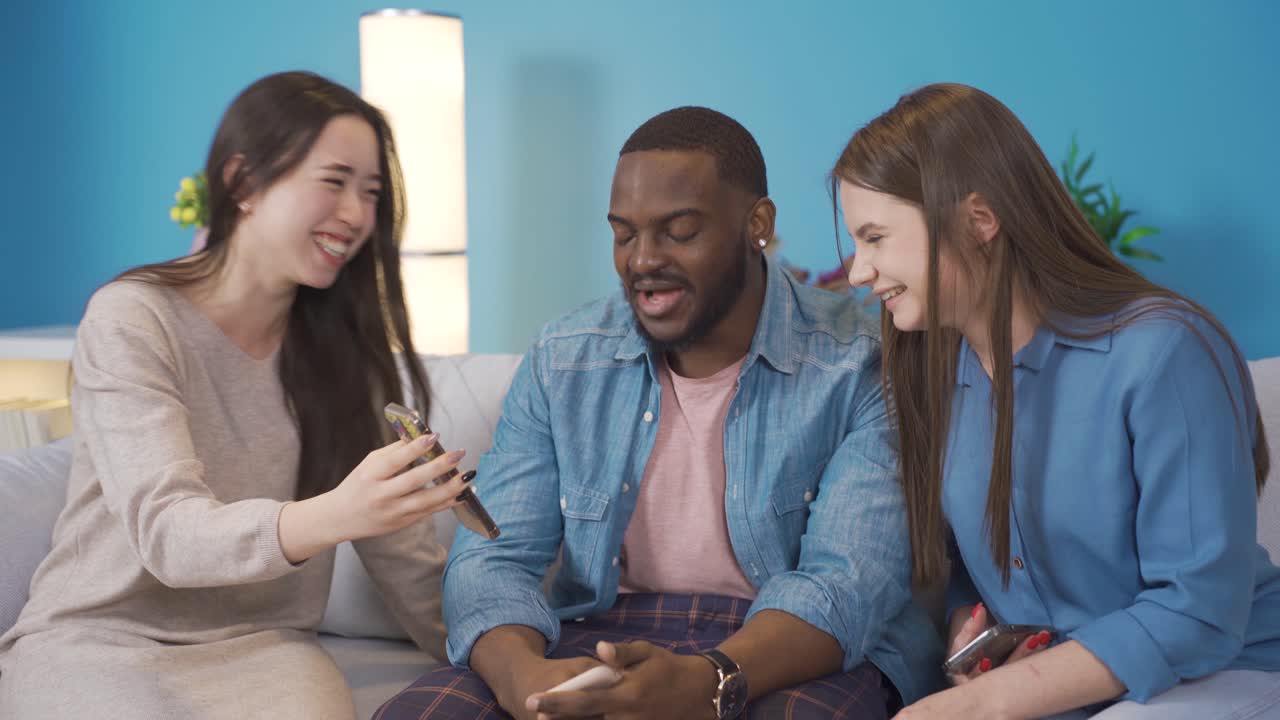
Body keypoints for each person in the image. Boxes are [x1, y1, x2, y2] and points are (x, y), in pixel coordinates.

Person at [377, 106, 941, 720]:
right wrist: (524, 679)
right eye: (624, 233)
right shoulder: (563, 359)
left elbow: (845, 583)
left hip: (786, 645)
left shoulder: (863, 362)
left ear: (757, 224)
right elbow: (493, 554)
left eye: (679, 231)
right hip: (601, 628)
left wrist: (706, 680)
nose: (642, 260)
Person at [0, 71, 469, 719]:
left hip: (265, 648)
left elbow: (409, 570)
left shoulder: (340, 353)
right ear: (243, 182)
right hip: (99, 636)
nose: (359, 215)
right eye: (334, 182)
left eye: (372, 193)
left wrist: (512, 657)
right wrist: (337, 512)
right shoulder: (133, 318)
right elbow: (166, 532)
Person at [833, 82, 1280, 719]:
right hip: (1064, 693)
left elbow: (1198, 612)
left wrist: (991, 701)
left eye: (875, 238)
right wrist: (975, 630)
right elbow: (969, 570)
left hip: (1223, 671)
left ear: (978, 219)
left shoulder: (1163, 351)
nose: (856, 271)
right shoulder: (936, 373)